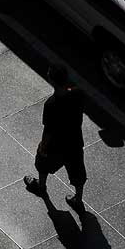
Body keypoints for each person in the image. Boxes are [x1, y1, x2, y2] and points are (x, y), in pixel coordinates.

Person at [24, 64, 87, 213]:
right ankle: (78, 200)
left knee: (42, 163)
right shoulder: (78, 95)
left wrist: (43, 146)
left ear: (51, 80)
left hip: (56, 146)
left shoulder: (51, 104)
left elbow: (49, 130)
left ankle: (41, 186)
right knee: (78, 172)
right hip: (75, 142)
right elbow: (77, 88)